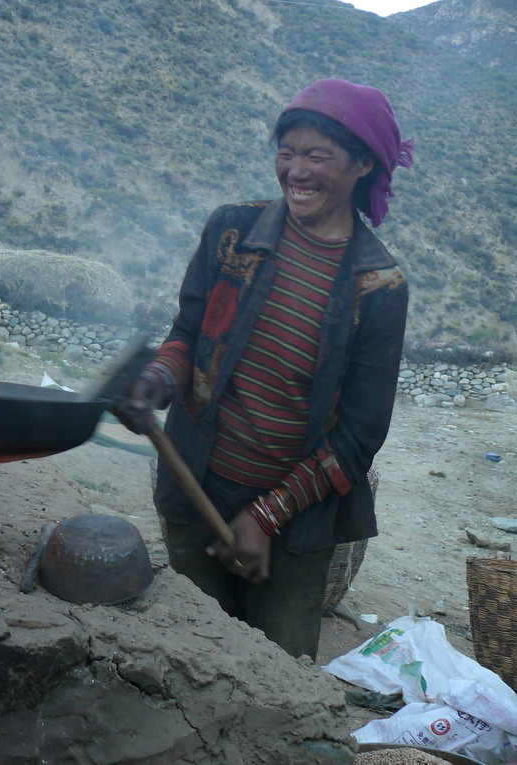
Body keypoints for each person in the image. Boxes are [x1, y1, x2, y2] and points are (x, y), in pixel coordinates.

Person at [114, 79, 413, 661]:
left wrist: (266, 515)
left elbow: (358, 437)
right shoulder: (232, 232)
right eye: (287, 152)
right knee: (191, 656)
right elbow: (189, 336)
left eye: (317, 155)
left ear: (362, 164)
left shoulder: (378, 287)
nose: (296, 170)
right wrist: (155, 383)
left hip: (296, 520)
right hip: (195, 483)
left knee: (273, 674)